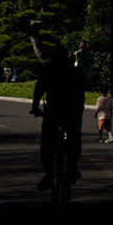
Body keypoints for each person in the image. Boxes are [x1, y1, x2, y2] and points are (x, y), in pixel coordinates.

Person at [31, 46, 86, 191]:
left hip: (53, 111)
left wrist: (35, 106)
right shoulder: (74, 70)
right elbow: (81, 91)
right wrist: (80, 108)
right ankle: (73, 168)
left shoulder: (49, 68)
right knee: (74, 138)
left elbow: (39, 88)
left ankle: (49, 174)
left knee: (47, 142)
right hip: (72, 111)